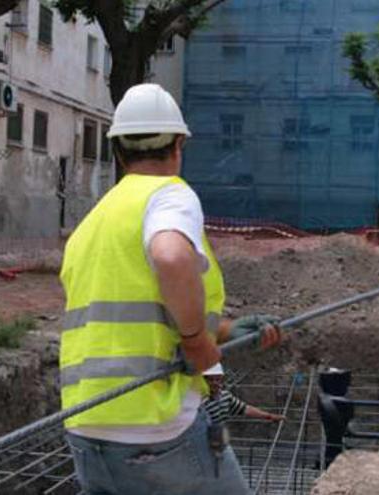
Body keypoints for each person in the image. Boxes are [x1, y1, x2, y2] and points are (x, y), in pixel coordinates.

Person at [59, 83, 282, 495]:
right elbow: (171, 258)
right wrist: (197, 341)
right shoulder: (167, 195)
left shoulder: (93, 223)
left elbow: (134, 319)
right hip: (155, 426)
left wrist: (225, 330)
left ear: (118, 150)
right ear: (179, 144)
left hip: (86, 427)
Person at [201, 363, 286, 425]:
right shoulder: (199, 402)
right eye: (210, 380)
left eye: (217, 379)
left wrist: (269, 416)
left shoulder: (225, 396)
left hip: (218, 441)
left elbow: (245, 409)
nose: (215, 383)